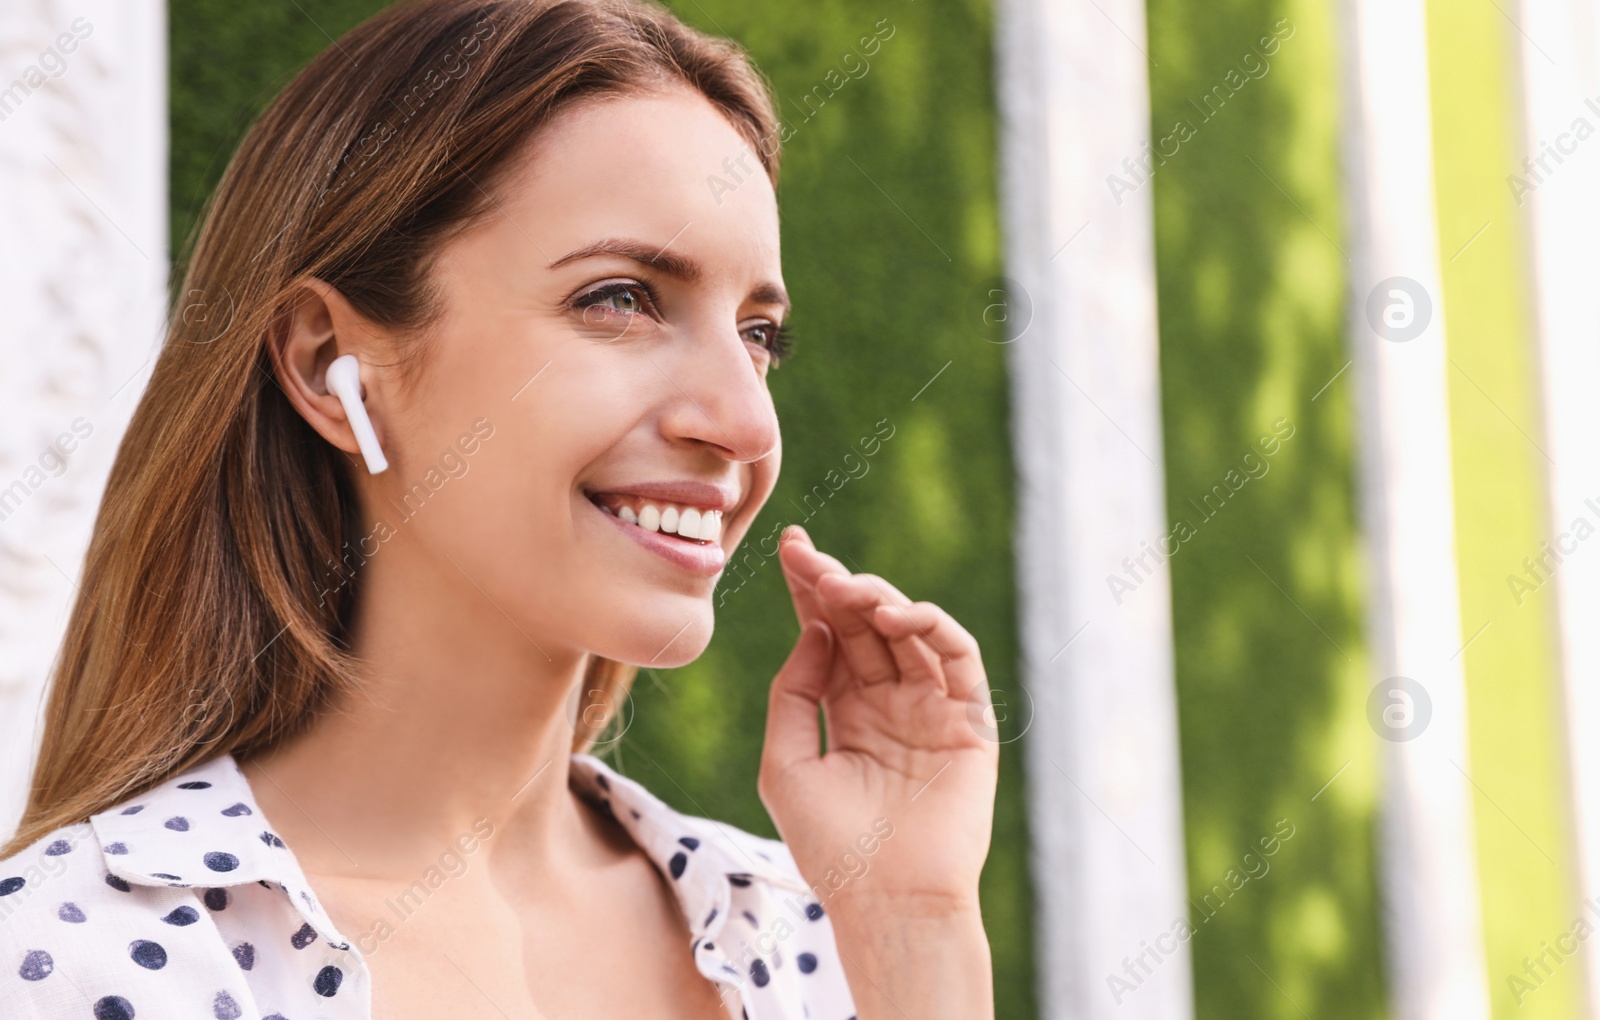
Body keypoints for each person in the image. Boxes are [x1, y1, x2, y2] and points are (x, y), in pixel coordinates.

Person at [0, 1, 999, 1017]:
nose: (745, 422)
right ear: (329, 365)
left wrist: (914, 932)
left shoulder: (803, 936)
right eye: (621, 298)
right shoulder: (73, 961)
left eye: (758, 335)